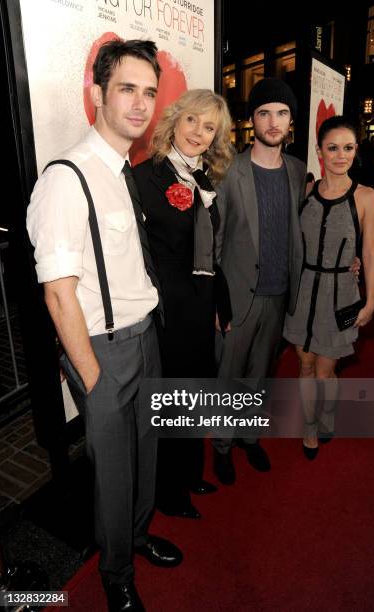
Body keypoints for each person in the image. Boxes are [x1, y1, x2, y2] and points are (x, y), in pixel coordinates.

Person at [27, 39, 182, 612]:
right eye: (126, 89)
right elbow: (57, 291)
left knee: (146, 456)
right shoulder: (67, 178)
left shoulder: (122, 171)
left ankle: (136, 538)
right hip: (105, 354)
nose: (140, 104)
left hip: (145, 339)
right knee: (112, 475)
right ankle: (115, 572)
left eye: (148, 91)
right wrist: (92, 377)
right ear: (97, 95)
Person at [133, 89, 234, 518]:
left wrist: (219, 302)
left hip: (200, 304)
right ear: (175, 121)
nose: (198, 132)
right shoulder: (144, 175)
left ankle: (191, 472)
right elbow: (140, 254)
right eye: (192, 120)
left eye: (208, 127)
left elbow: (211, 249)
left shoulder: (204, 179)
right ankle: (169, 493)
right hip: (169, 307)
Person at [212, 78, 307, 484]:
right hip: (236, 299)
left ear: (290, 122)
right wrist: (217, 303)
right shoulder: (230, 171)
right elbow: (214, 242)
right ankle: (220, 446)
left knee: (260, 377)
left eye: (281, 113)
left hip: (279, 294)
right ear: (252, 120)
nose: (273, 121)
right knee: (226, 378)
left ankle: (248, 437)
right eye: (264, 112)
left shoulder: (298, 171)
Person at [283, 116, 374, 459]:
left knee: (325, 371)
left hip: (340, 292)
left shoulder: (367, 197)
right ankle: (309, 427)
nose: (341, 156)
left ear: (356, 151)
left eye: (348, 148)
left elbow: (369, 251)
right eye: (333, 148)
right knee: (304, 365)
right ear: (319, 151)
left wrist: (369, 301)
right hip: (304, 290)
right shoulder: (307, 192)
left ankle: (326, 415)